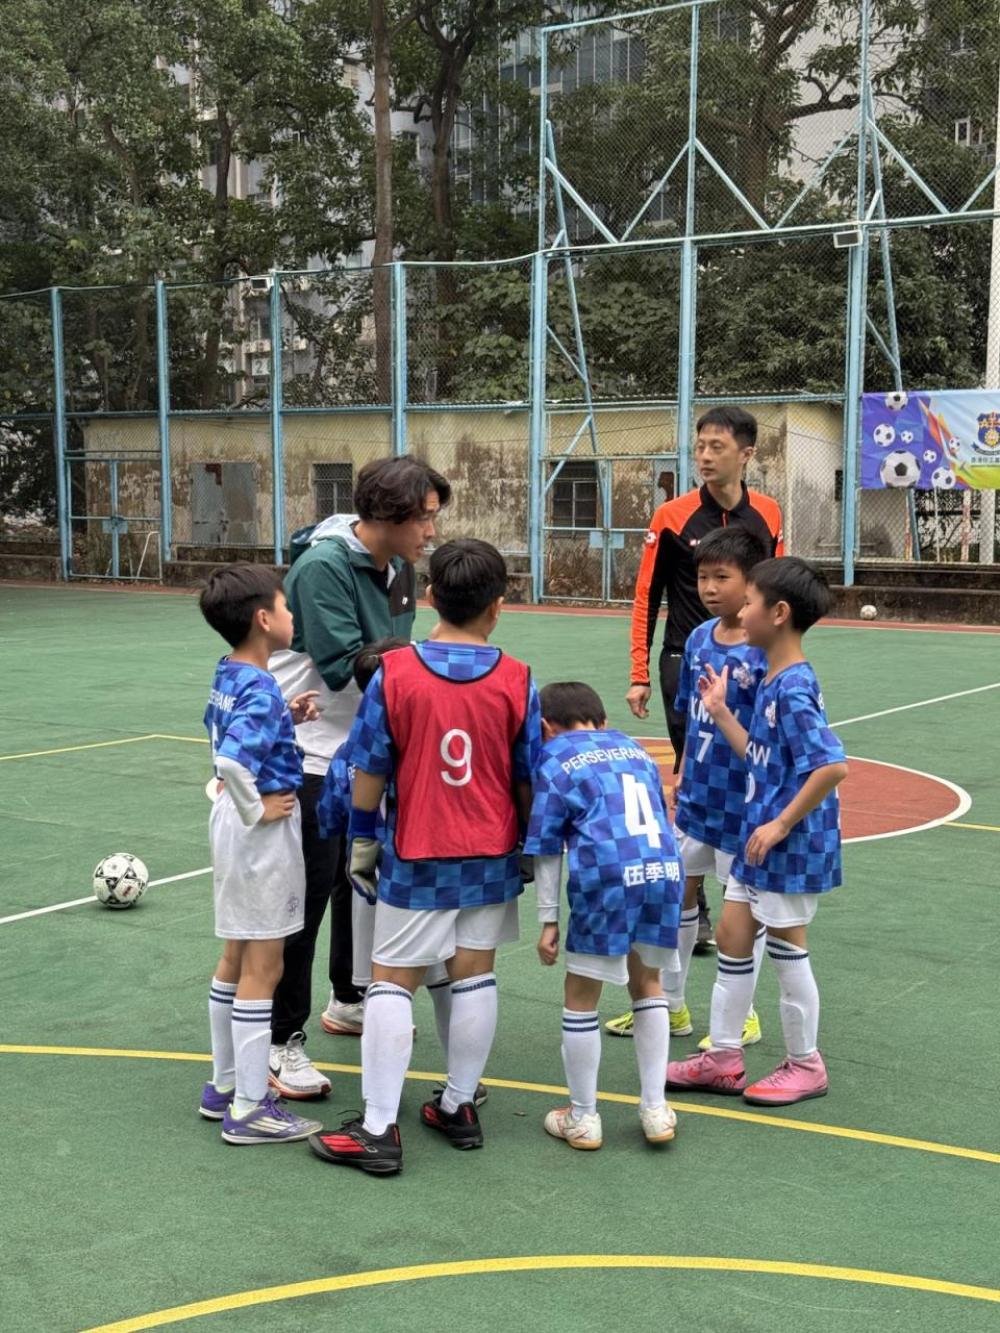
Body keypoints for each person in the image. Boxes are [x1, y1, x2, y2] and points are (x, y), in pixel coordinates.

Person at [308, 539, 540, 1175]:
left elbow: (370, 765)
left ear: (431, 596)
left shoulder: (396, 672)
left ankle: (378, 1129)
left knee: (391, 980)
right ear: (498, 606)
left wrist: (362, 839)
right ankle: (459, 1105)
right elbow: (527, 773)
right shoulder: (518, 677)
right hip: (492, 848)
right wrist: (528, 842)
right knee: (475, 973)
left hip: (418, 850)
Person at [267, 455, 451, 1101]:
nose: (431, 531)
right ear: (386, 516)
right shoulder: (323, 567)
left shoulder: (400, 566)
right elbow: (349, 665)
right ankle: (279, 1041)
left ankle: (349, 997)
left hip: (362, 749)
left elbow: (389, 659)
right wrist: (447, 664)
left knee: (360, 877)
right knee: (306, 896)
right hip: (307, 750)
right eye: (423, 518)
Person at [667, 557, 848, 1106]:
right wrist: (722, 713)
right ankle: (723, 1058)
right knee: (732, 935)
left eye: (749, 603)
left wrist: (781, 822)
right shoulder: (771, 676)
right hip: (757, 837)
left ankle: (806, 1064)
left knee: (789, 947)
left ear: (779, 612)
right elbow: (761, 756)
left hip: (787, 845)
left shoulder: (793, 688)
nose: (741, 611)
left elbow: (830, 766)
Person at [620, 404, 784, 967]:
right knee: (693, 766)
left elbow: (777, 589)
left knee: (750, 762)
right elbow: (647, 595)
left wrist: (779, 655)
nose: (706, 456)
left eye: (718, 447)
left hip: (751, 660)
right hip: (684, 657)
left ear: (747, 453)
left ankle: (745, 884)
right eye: (700, 446)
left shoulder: (768, 514)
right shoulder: (672, 515)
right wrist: (640, 672)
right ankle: (698, 900)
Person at [609, 527, 769, 1044]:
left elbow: (768, 740)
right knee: (678, 894)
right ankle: (669, 1005)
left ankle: (742, 1014)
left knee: (741, 908)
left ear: (752, 582)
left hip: (743, 803)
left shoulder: (766, 652)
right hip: (698, 797)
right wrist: (682, 772)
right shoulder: (698, 640)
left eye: (722, 577)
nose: (709, 588)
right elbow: (690, 718)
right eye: (702, 577)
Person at [315, 636, 489, 1109]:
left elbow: (330, 815)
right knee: (444, 979)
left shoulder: (350, 753)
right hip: (430, 872)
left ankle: (380, 1107)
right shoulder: (430, 742)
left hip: (374, 883)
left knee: (385, 985)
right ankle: (463, 1083)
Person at [525, 682, 683, 1152]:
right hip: (663, 869)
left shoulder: (553, 758)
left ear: (545, 727)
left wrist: (549, 919)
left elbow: (547, 847)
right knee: (648, 983)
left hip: (607, 875)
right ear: (603, 719)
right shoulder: (635, 749)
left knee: (581, 994)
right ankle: (655, 1109)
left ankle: (583, 1116)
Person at [197, 564, 325, 1145]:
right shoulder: (260, 687)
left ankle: (224, 1085)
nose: (293, 616)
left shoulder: (230, 673)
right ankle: (249, 1107)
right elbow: (232, 760)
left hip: (229, 823)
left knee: (236, 954)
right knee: (265, 966)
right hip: (258, 834)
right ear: (264, 619)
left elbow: (226, 737)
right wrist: (258, 810)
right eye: (286, 606)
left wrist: (284, 719)